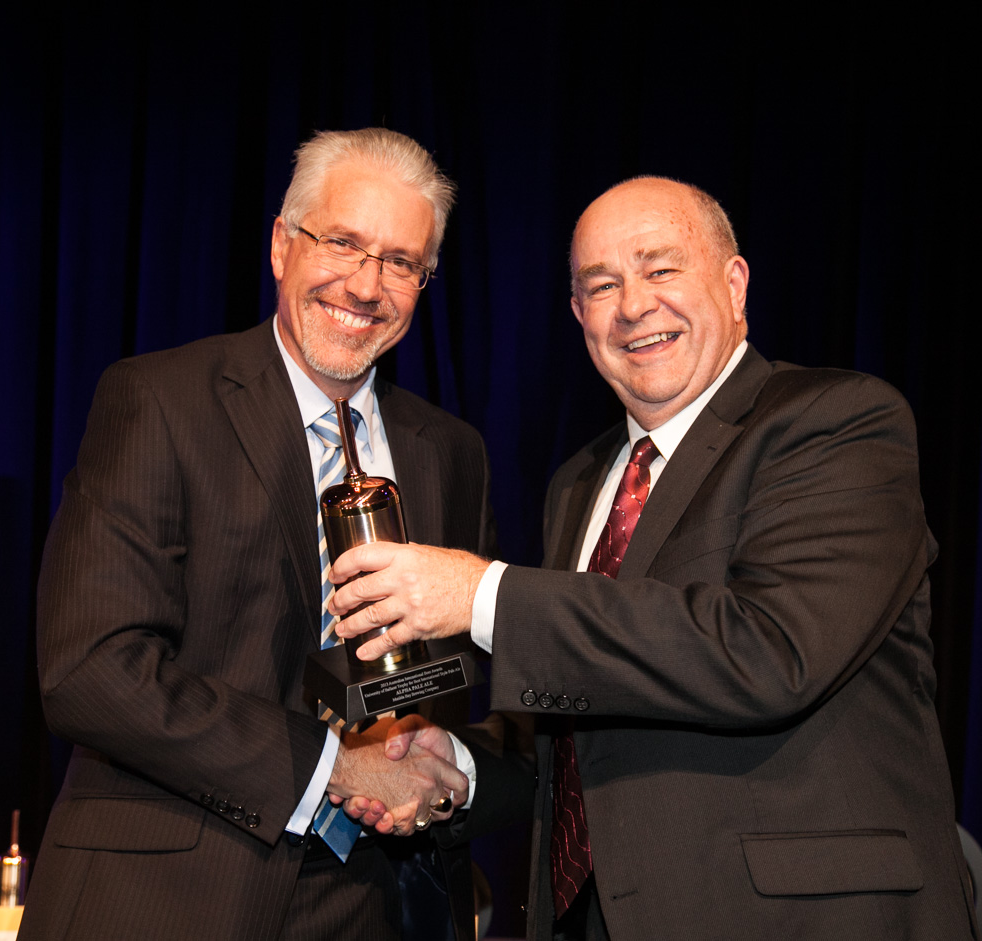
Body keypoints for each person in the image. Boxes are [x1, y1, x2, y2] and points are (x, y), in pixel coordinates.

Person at [330, 177, 981, 940]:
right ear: (579, 316)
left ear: (734, 285)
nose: (633, 304)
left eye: (661, 268)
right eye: (601, 285)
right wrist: (459, 768)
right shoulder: (579, 482)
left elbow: (768, 651)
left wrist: (479, 593)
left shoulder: (836, 422)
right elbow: (579, 725)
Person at [21, 128, 496, 941]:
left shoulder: (451, 451)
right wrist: (331, 765)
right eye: (342, 242)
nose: (365, 283)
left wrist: (440, 759)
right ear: (282, 244)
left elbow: (474, 674)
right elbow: (90, 667)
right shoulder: (160, 400)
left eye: (400, 262)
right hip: (168, 897)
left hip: (377, 901)